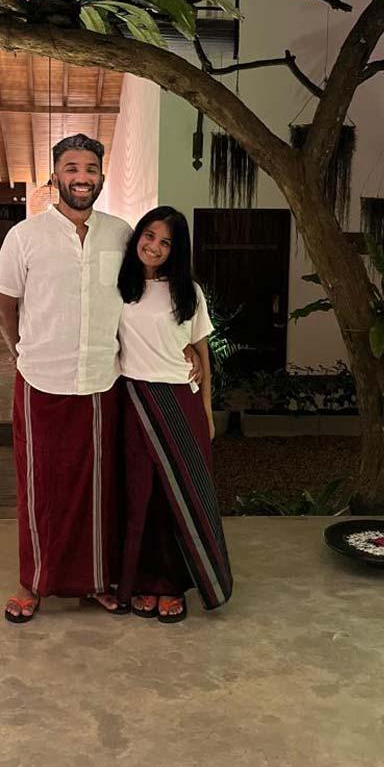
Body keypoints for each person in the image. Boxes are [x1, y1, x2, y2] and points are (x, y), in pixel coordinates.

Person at [0, 134, 133, 623]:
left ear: (101, 177)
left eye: (90, 168)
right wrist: (19, 350)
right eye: (72, 168)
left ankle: (95, 582)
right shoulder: (25, 236)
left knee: (98, 488)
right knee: (40, 488)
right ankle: (33, 583)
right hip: (41, 382)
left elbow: (140, 299)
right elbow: (2, 302)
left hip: (101, 381)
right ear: (56, 176)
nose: (81, 177)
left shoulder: (121, 234)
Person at [116, 206, 233, 623]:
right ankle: (140, 581)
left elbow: (202, 353)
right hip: (134, 399)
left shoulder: (188, 292)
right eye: (149, 236)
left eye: (166, 242)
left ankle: (172, 586)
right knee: (139, 495)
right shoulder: (120, 286)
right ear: (137, 237)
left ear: (175, 250)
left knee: (178, 496)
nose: (154, 247)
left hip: (181, 401)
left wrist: (207, 412)